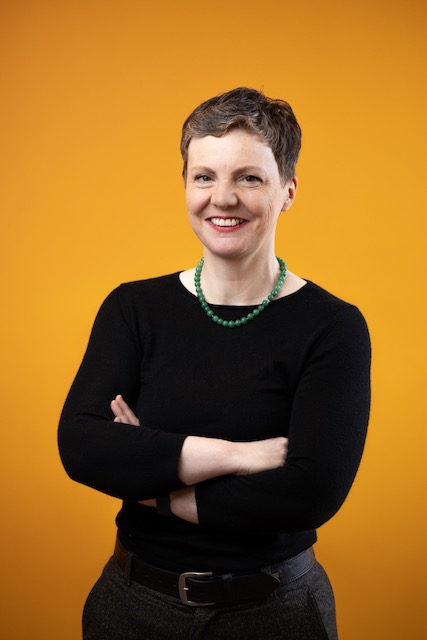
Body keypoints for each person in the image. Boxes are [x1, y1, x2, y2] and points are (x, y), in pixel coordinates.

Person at [58, 87, 371, 640]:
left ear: (288, 191)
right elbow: (81, 445)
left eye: (248, 178)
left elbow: (309, 494)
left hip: (275, 613)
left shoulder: (333, 327)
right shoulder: (133, 308)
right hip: (130, 607)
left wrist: (149, 474)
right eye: (204, 177)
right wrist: (237, 456)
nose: (222, 198)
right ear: (185, 185)